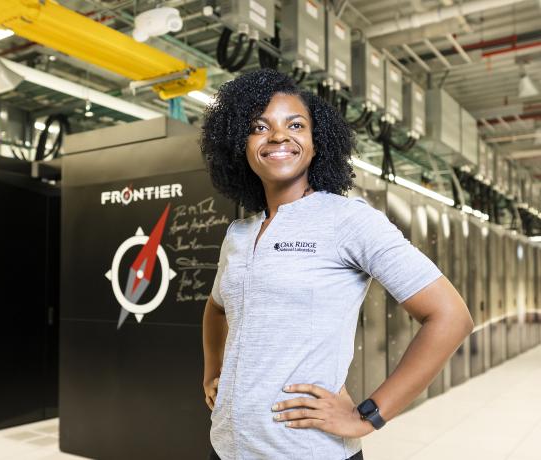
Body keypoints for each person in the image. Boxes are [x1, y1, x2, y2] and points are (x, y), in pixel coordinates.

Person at [199, 69, 474, 460]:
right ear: (239, 145)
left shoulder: (348, 220)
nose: (278, 136)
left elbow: (450, 317)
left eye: (295, 125)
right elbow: (216, 307)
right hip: (227, 447)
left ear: (316, 142)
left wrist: (369, 416)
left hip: (305, 450)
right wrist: (214, 373)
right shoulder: (239, 235)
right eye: (260, 127)